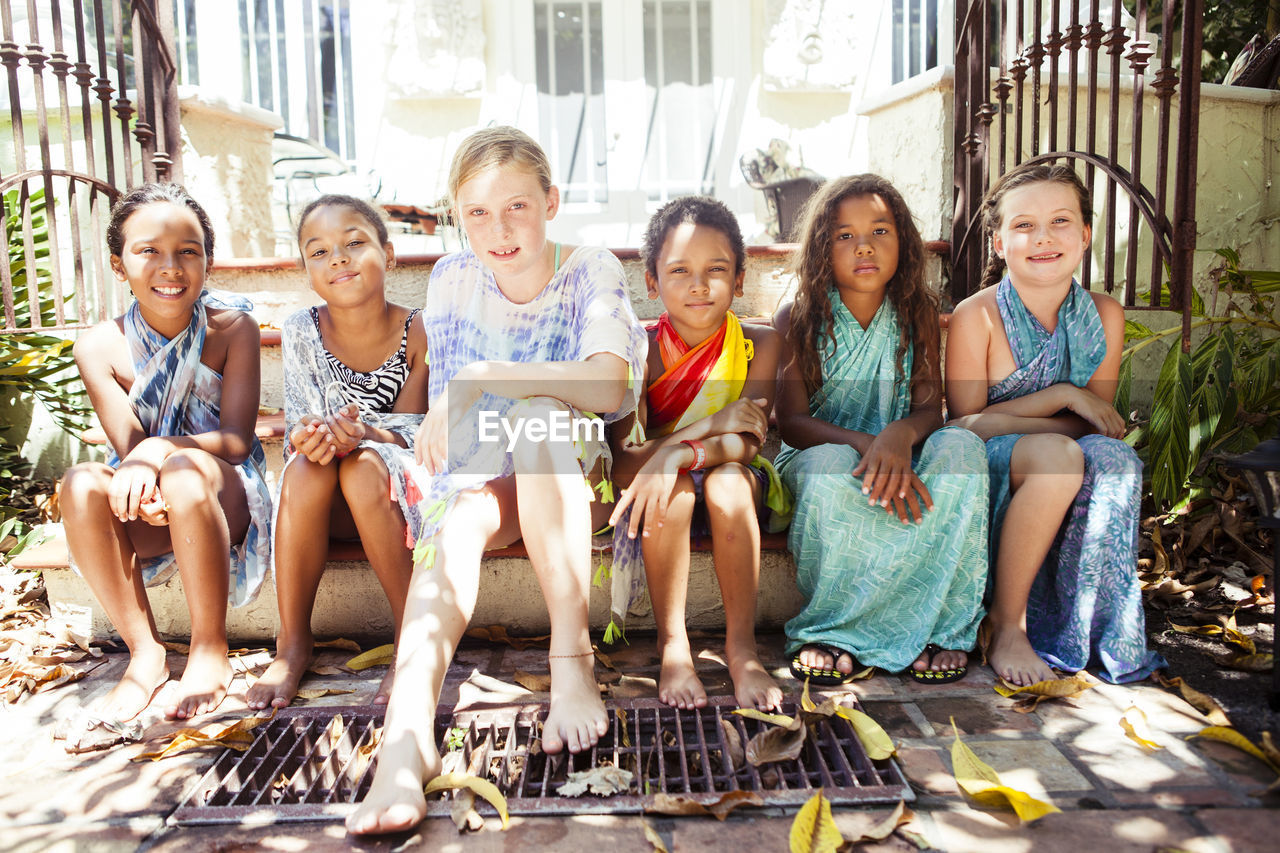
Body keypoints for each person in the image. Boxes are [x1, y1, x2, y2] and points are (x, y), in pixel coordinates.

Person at [346, 126, 647, 835]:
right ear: (457, 217)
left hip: (575, 472)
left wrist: (486, 378)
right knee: (455, 524)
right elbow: (463, 438)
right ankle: (406, 740)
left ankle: (572, 663)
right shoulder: (454, 278)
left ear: (552, 200)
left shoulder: (590, 268)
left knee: (540, 417)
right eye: (477, 213)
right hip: (490, 474)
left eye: (516, 206)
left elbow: (609, 382)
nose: (498, 229)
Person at [56, 183, 271, 749]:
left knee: (179, 471)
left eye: (189, 250)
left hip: (221, 493)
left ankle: (208, 650)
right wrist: (144, 468)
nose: (170, 267)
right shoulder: (99, 346)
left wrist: (159, 452)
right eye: (148, 250)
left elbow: (235, 438)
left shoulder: (231, 330)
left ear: (207, 259)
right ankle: (144, 655)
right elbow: (125, 447)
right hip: (145, 499)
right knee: (79, 482)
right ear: (118, 263)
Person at [945, 161, 1164, 686]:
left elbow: (1101, 427)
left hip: (1065, 451)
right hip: (992, 461)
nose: (1043, 237)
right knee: (1060, 459)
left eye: (1060, 222)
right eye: (1023, 225)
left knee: (1116, 458)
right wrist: (1063, 396)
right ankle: (1008, 626)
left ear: (1086, 235)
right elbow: (965, 426)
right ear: (999, 242)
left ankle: (1087, 628)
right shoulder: (977, 316)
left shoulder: (1105, 314)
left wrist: (1075, 420)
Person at [773, 174, 988, 686]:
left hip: (902, 449)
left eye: (879, 231)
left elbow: (930, 411)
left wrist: (897, 438)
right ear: (822, 249)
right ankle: (833, 631)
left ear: (904, 245)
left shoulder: (915, 313)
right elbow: (794, 425)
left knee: (962, 449)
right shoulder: (796, 319)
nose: (863, 245)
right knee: (828, 472)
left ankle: (940, 627)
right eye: (844, 235)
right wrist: (869, 446)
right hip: (823, 454)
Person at [246, 195, 428, 711]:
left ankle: (411, 636)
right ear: (306, 271)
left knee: (363, 465)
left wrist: (365, 434)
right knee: (305, 468)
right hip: (324, 506)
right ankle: (292, 643)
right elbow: (305, 418)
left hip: (393, 497)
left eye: (354, 244)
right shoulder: (302, 329)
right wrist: (311, 437)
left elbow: (415, 433)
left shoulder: (419, 330)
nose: (339, 259)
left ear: (388, 255)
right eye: (320, 251)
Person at [608, 196, 786, 712]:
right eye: (679, 270)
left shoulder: (760, 344)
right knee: (674, 493)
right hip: (660, 482)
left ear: (741, 278)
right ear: (651, 281)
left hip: (734, 469)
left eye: (716, 270)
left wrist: (674, 454)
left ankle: (742, 649)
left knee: (728, 484)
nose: (699, 285)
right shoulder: (635, 353)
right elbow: (623, 462)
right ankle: (674, 645)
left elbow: (749, 443)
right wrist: (705, 430)